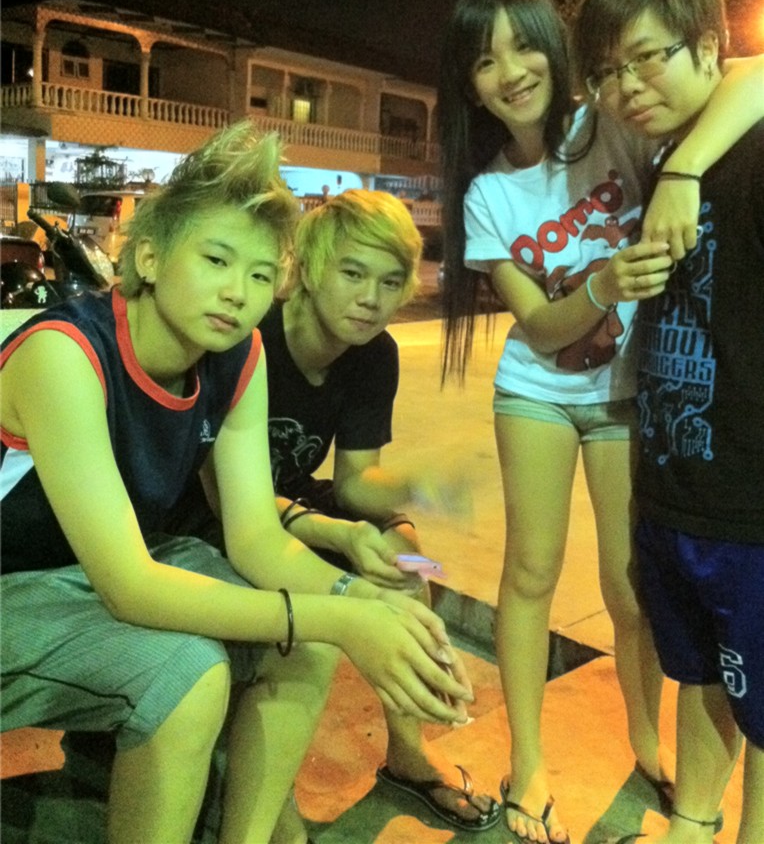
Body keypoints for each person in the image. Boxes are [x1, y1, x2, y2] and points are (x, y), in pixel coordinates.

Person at [0, 121, 475, 844]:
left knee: (311, 639)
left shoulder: (239, 354)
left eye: (258, 275)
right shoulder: (66, 354)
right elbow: (130, 585)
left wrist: (363, 601)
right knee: (186, 675)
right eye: (217, 260)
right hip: (23, 581)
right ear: (150, 256)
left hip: (90, 572)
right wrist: (342, 615)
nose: (238, 292)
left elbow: (256, 535)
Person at [437, 0, 764, 844]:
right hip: (539, 391)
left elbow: (753, 74)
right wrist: (605, 284)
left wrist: (682, 170)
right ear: (468, 85)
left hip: (631, 392)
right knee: (530, 572)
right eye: (484, 61)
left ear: (557, 50)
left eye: (524, 45)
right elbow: (541, 327)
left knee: (632, 589)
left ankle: (645, 736)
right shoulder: (487, 195)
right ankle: (529, 766)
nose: (511, 71)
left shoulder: (613, 119)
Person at [184, 187, 500, 833]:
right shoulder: (250, 338)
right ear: (307, 268)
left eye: (389, 281)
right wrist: (343, 537)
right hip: (208, 511)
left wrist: (414, 494)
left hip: (291, 503)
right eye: (353, 274)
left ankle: (407, 753)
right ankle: (263, 788)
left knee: (407, 565)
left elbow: (356, 484)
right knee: (311, 628)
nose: (371, 298)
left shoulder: (374, 354)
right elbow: (228, 496)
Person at [573, 0, 764, 844]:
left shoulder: (748, 153)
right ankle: (692, 822)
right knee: (703, 676)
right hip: (675, 489)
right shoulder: (664, 163)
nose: (627, 87)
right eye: (609, 72)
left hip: (751, 505)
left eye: (647, 57)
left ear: (709, 46)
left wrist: (685, 171)